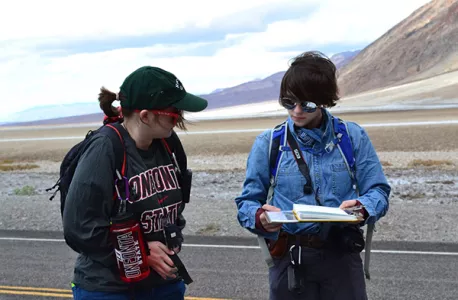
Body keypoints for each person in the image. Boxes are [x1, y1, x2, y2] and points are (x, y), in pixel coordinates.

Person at [234, 51, 390, 300]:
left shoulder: (352, 137)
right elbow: (246, 203)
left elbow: (379, 191)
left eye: (306, 104)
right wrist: (260, 217)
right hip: (289, 256)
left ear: (324, 101)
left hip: (341, 255)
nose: (296, 111)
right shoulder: (268, 143)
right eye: (288, 102)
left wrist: (363, 207)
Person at [63, 66, 208, 299]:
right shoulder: (104, 150)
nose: (179, 120)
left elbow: (174, 206)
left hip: (163, 283)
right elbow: (79, 228)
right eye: (173, 114)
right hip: (111, 289)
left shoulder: (168, 144)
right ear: (145, 116)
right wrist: (140, 253)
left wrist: (171, 236)